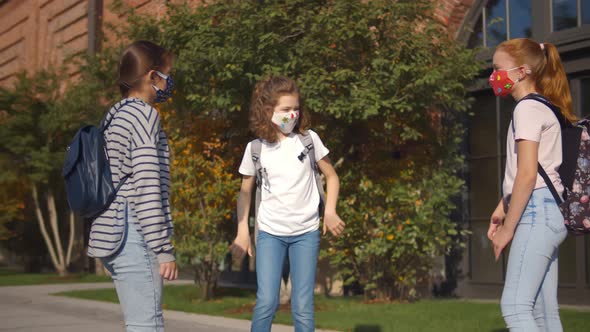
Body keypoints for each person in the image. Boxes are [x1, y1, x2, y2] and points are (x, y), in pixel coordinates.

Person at [230, 76, 345, 332]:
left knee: (303, 306)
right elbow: (245, 192)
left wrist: (330, 211)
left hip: (306, 234)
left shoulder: (309, 140)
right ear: (267, 110)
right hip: (271, 234)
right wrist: (242, 232)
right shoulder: (256, 149)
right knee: (267, 302)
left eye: (295, 108)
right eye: (285, 110)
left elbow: (332, 176)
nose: (292, 114)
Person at [87, 40, 178, 332]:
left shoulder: (116, 115)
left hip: (112, 232)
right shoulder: (143, 116)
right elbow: (147, 185)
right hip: (134, 231)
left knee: (139, 323)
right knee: (146, 325)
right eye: (166, 76)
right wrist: (163, 248)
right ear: (152, 76)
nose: (168, 83)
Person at [487, 38, 575, 331]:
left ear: (521, 71)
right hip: (549, 213)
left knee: (514, 307)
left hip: (536, 214)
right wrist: (503, 207)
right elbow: (537, 169)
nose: (493, 76)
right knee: (543, 312)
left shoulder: (526, 109)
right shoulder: (545, 107)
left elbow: (527, 174)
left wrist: (507, 231)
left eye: (498, 68)